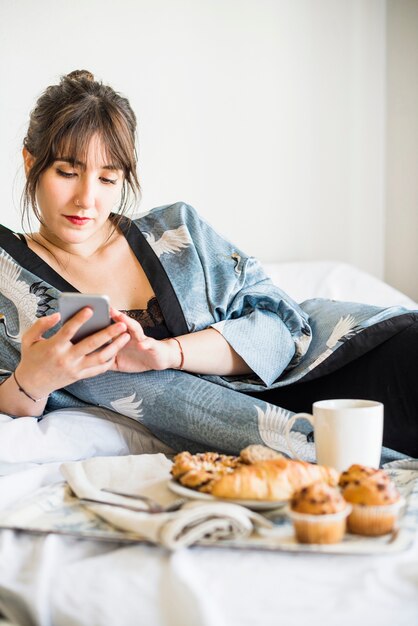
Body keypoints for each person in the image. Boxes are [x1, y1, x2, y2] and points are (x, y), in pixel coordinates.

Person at [0, 70, 417, 460]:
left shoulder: (178, 231)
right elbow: (11, 399)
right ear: (30, 162)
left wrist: (168, 353)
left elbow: (283, 324)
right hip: (249, 430)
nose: (87, 199)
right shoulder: (8, 278)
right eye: (68, 172)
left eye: (108, 179)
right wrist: (32, 380)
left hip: (335, 363)